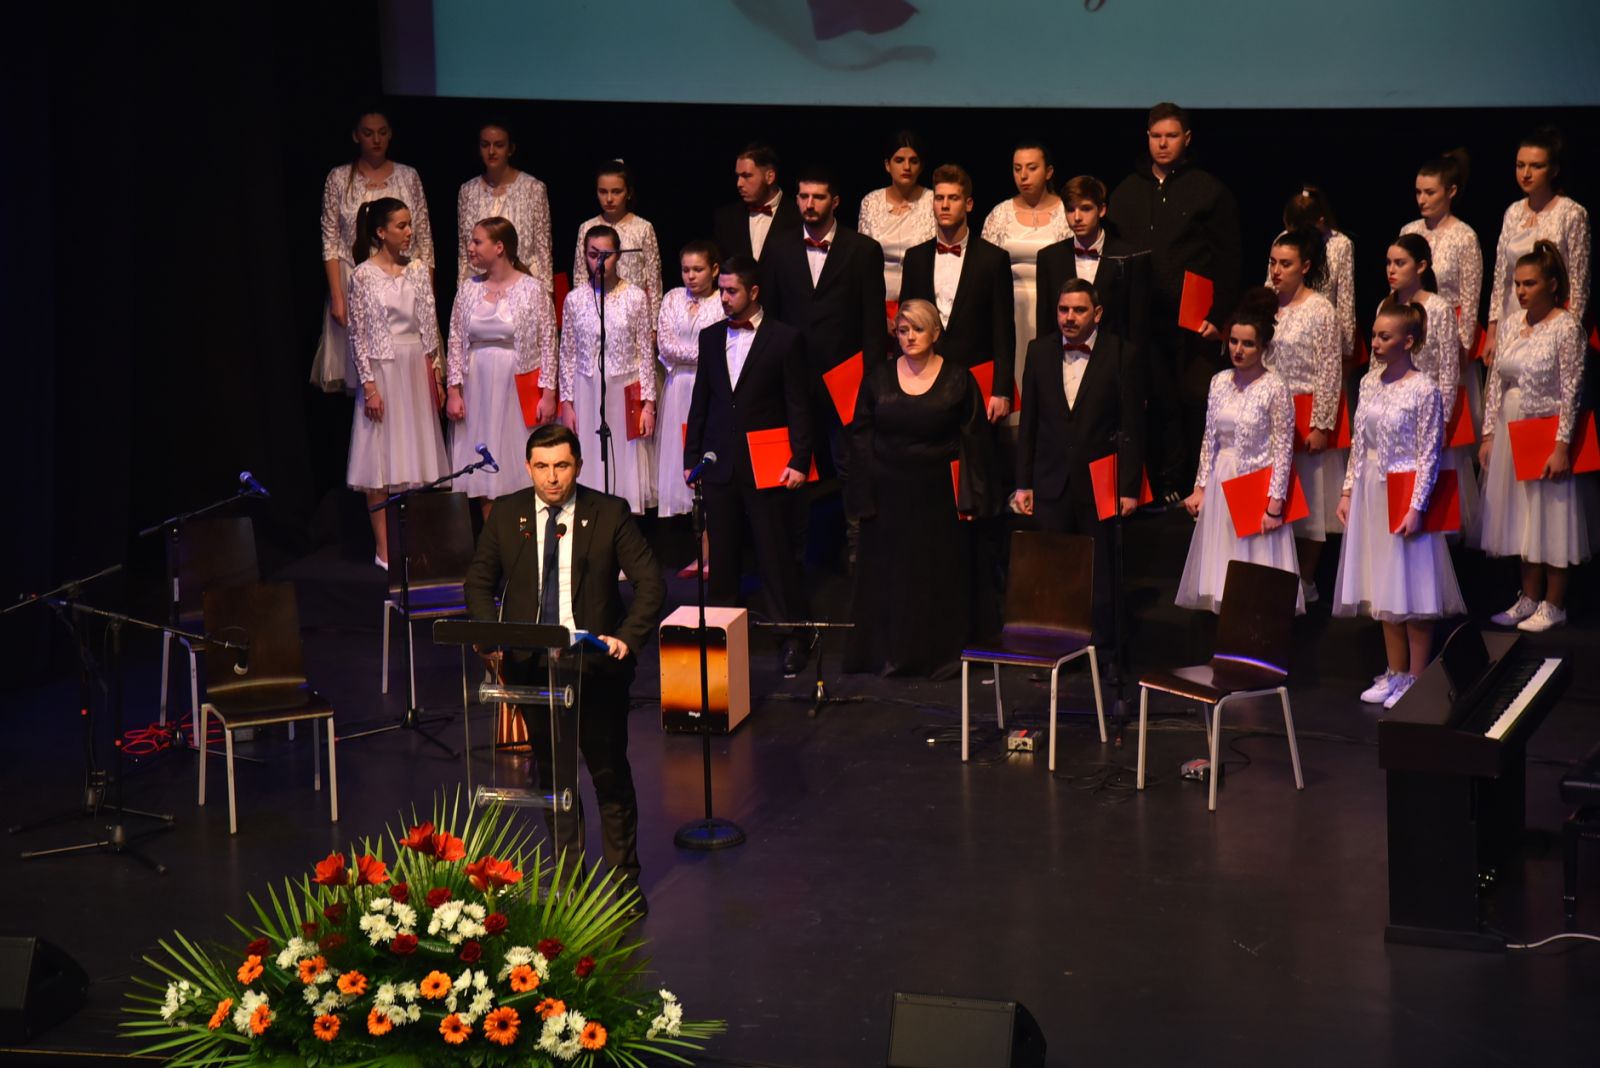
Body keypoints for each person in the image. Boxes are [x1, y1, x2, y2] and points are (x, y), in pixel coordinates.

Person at [462, 423, 665, 914]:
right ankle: (570, 886)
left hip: (594, 668)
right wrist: (490, 637)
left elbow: (651, 584)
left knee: (609, 774)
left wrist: (626, 638)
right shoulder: (507, 513)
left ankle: (624, 883)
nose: (552, 478)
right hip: (533, 669)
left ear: (578, 465)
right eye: (542, 467)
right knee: (555, 781)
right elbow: (478, 583)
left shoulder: (609, 512)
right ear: (528, 467)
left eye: (561, 466)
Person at [845, 300, 994, 677]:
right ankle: (890, 654)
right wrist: (864, 495)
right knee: (892, 576)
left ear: (936, 333)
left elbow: (975, 441)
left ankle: (941, 656)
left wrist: (971, 497)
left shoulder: (959, 378)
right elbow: (861, 437)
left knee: (936, 575)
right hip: (889, 494)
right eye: (902, 330)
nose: (909, 337)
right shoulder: (878, 378)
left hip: (939, 496)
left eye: (917, 330)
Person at [683, 255, 815, 676]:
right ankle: (721, 637)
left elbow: (798, 405)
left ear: (753, 292)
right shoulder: (710, 337)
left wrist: (799, 460)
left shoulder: (784, 338)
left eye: (731, 290)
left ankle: (791, 636)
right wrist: (691, 457)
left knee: (775, 555)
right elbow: (701, 400)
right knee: (722, 559)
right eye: (721, 290)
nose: (723, 298)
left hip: (767, 464)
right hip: (720, 463)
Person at [1333, 301, 1465, 708]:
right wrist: (1348, 490)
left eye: (1384, 337)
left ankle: (1416, 676)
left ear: (1408, 342)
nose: (1375, 343)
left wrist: (1416, 507)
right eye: (1374, 335)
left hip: (1406, 491)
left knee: (1413, 586)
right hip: (1373, 490)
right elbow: (1359, 444)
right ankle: (1394, 670)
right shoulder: (1369, 383)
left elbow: (1430, 452)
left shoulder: (1424, 389)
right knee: (1384, 585)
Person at [1109, 103, 1241, 503]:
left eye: (1170, 136)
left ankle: (1194, 488)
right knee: (1147, 404)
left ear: (1187, 139)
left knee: (1193, 402)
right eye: (1156, 136)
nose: (1162, 144)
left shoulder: (1208, 190)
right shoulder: (1127, 192)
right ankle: (1154, 488)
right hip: (1141, 323)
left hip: (1194, 323)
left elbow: (1229, 258)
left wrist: (1220, 315)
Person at [1012, 279, 1145, 644]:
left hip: (1100, 481)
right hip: (1051, 479)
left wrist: (1129, 487)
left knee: (1100, 570)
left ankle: (1103, 650)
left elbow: (1132, 426)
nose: (1069, 317)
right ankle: (1051, 648)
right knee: (1051, 566)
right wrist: (1023, 482)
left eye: (1079, 310)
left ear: (1097, 313)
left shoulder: (1121, 353)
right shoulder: (1039, 351)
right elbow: (1029, 422)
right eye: (1063, 309)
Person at [1479, 241, 1589, 633]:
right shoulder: (1512, 323)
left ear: (1552, 285)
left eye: (1530, 284)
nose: (1521, 291)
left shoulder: (1566, 327)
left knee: (1550, 515)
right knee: (1520, 515)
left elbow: (1572, 389)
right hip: (1512, 427)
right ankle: (1528, 597)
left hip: (1546, 425)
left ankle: (1553, 603)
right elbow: (1496, 381)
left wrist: (1562, 446)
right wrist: (1489, 433)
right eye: (1517, 284)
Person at [1177, 294, 1302, 614]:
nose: (1238, 349)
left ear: (1263, 348)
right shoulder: (1219, 382)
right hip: (1222, 480)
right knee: (1223, 561)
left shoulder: (1275, 387)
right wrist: (1200, 487)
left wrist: (1275, 503)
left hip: (1256, 482)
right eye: (1233, 341)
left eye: (1247, 344)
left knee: (1254, 566)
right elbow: (1210, 438)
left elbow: (1283, 448)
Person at [762, 165, 888, 478]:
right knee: (795, 467)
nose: (809, 204)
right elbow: (771, 315)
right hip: (793, 375)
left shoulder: (863, 250)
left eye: (818, 197)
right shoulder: (778, 248)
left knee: (851, 467)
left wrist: (871, 382)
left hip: (846, 378)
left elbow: (873, 324)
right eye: (803, 196)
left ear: (835, 201)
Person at [344, 197, 449, 567]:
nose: (408, 232)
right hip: (383, 369)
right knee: (379, 462)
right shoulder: (363, 275)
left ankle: (413, 544)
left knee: (415, 457)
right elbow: (357, 335)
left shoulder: (417, 269)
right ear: (380, 231)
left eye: (409, 224)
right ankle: (384, 549)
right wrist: (369, 385)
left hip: (414, 365)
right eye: (401, 225)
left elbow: (428, 323)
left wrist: (436, 374)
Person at [313, 109, 434, 393]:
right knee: (361, 367)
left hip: (402, 280)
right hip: (354, 277)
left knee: (404, 367)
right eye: (368, 133)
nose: (376, 140)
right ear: (356, 136)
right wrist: (337, 295)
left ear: (390, 134)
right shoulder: (339, 178)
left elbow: (424, 240)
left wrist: (427, 294)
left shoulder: (408, 176)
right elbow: (330, 240)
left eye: (382, 132)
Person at [444, 218, 556, 515]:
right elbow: (455, 340)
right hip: (477, 385)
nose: (470, 247)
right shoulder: (468, 289)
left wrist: (548, 394)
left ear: (499, 247)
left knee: (519, 461)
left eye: (477, 241)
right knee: (484, 464)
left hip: (515, 384)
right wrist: (453, 391)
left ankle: (527, 536)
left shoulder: (532, 289)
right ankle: (493, 538)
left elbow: (548, 343)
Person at [898, 164, 1015, 422]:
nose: (945, 205)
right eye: (939, 198)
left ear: (968, 204)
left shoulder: (993, 259)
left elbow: (1004, 331)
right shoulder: (915, 258)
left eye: (953, 198)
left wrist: (1002, 390)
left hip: (976, 381)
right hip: (924, 379)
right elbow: (905, 322)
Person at [553, 226, 658, 514]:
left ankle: (622, 523)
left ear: (619, 255)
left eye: (606, 255)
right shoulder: (575, 299)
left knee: (623, 458)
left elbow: (645, 354)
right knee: (590, 453)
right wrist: (567, 403)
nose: (599, 262)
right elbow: (567, 354)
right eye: (593, 255)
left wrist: (648, 404)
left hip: (625, 387)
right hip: (587, 388)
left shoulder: (635, 297)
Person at [1382, 233, 1479, 543]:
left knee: (1429, 502)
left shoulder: (1438, 308)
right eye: (1389, 263)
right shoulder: (1386, 307)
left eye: (1400, 263)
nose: (1391, 270)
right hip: (1393, 415)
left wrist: (1443, 422)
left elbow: (1449, 371)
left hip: (1426, 414)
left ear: (1421, 266)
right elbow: (1375, 366)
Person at [1264, 227, 1343, 604]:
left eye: (1285, 264)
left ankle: (1306, 580)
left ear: (1305, 267)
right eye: (1273, 263)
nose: (1276, 271)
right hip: (1267, 412)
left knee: (1310, 502)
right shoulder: (1264, 303)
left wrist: (1321, 425)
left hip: (1305, 409)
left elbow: (1330, 369)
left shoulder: (1320, 309)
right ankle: (1275, 575)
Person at [1484, 128, 1591, 363]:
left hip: (1551, 315)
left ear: (1554, 170)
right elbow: (1501, 274)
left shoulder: (1571, 213)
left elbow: (1578, 283)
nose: (1526, 173)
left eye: (1536, 166)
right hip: (1512, 313)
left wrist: (1569, 333)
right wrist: (1493, 330)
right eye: (1520, 165)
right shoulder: (1513, 212)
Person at [980, 141, 1071, 405]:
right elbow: (984, 265)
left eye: (1032, 168)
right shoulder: (1000, 214)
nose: (1023, 175)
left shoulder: (1066, 212)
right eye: (1017, 168)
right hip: (1009, 306)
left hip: (1053, 305)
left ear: (1049, 171)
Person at [656, 240, 727, 576]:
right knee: (685, 471)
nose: (691, 276)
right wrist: (701, 352)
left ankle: (715, 555)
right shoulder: (672, 298)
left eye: (698, 269)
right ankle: (700, 553)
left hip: (709, 389)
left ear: (714, 270)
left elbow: (723, 347)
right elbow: (665, 346)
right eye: (686, 270)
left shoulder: (722, 300)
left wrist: (696, 355)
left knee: (708, 465)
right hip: (678, 390)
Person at [1035, 175, 1151, 352]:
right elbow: (1045, 324)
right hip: (1063, 358)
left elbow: (1138, 326)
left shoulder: (1129, 257)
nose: (1077, 217)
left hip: (1114, 359)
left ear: (1102, 210)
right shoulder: (1049, 257)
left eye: (1086, 208)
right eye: (1070, 210)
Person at [454, 119, 552, 289]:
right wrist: (462, 292)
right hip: (479, 286)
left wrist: (546, 296)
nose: (491, 151)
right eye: (485, 145)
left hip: (523, 287)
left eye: (499, 145)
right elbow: (464, 253)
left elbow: (543, 252)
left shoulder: (533, 189)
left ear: (510, 149)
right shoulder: (468, 191)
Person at [1268, 186, 1356, 367]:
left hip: (1320, 331)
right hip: (1284, 329)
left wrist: (1346, 351)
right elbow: (1271, 284)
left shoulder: (1339, 245)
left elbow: (1345, 300)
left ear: (1320, 222)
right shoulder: (1283, 238)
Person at [573, 159, 664, 329]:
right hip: (597, 313)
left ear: (628, 192)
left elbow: (654, 281)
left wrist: (653, 326)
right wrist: (581, 316)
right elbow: (580, 277)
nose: (609, 199)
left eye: (616, 192)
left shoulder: (643, 228)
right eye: (603, 192)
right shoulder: (587, 228)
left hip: (633, 314)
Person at [857, 130, 937, 308]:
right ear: (888, 165)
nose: (906, 167)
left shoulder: (933, 200)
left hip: (920, 302)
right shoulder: (871, 202)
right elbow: (862, 259)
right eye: (899, 160)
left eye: (913, 161)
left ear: (921, 166)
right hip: (877, 301)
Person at [712, 142, 803, 267]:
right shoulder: (726, 218)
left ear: (770, 177)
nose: (739, 184)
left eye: (746, 176)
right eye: (738, 176)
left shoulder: (798, 216)